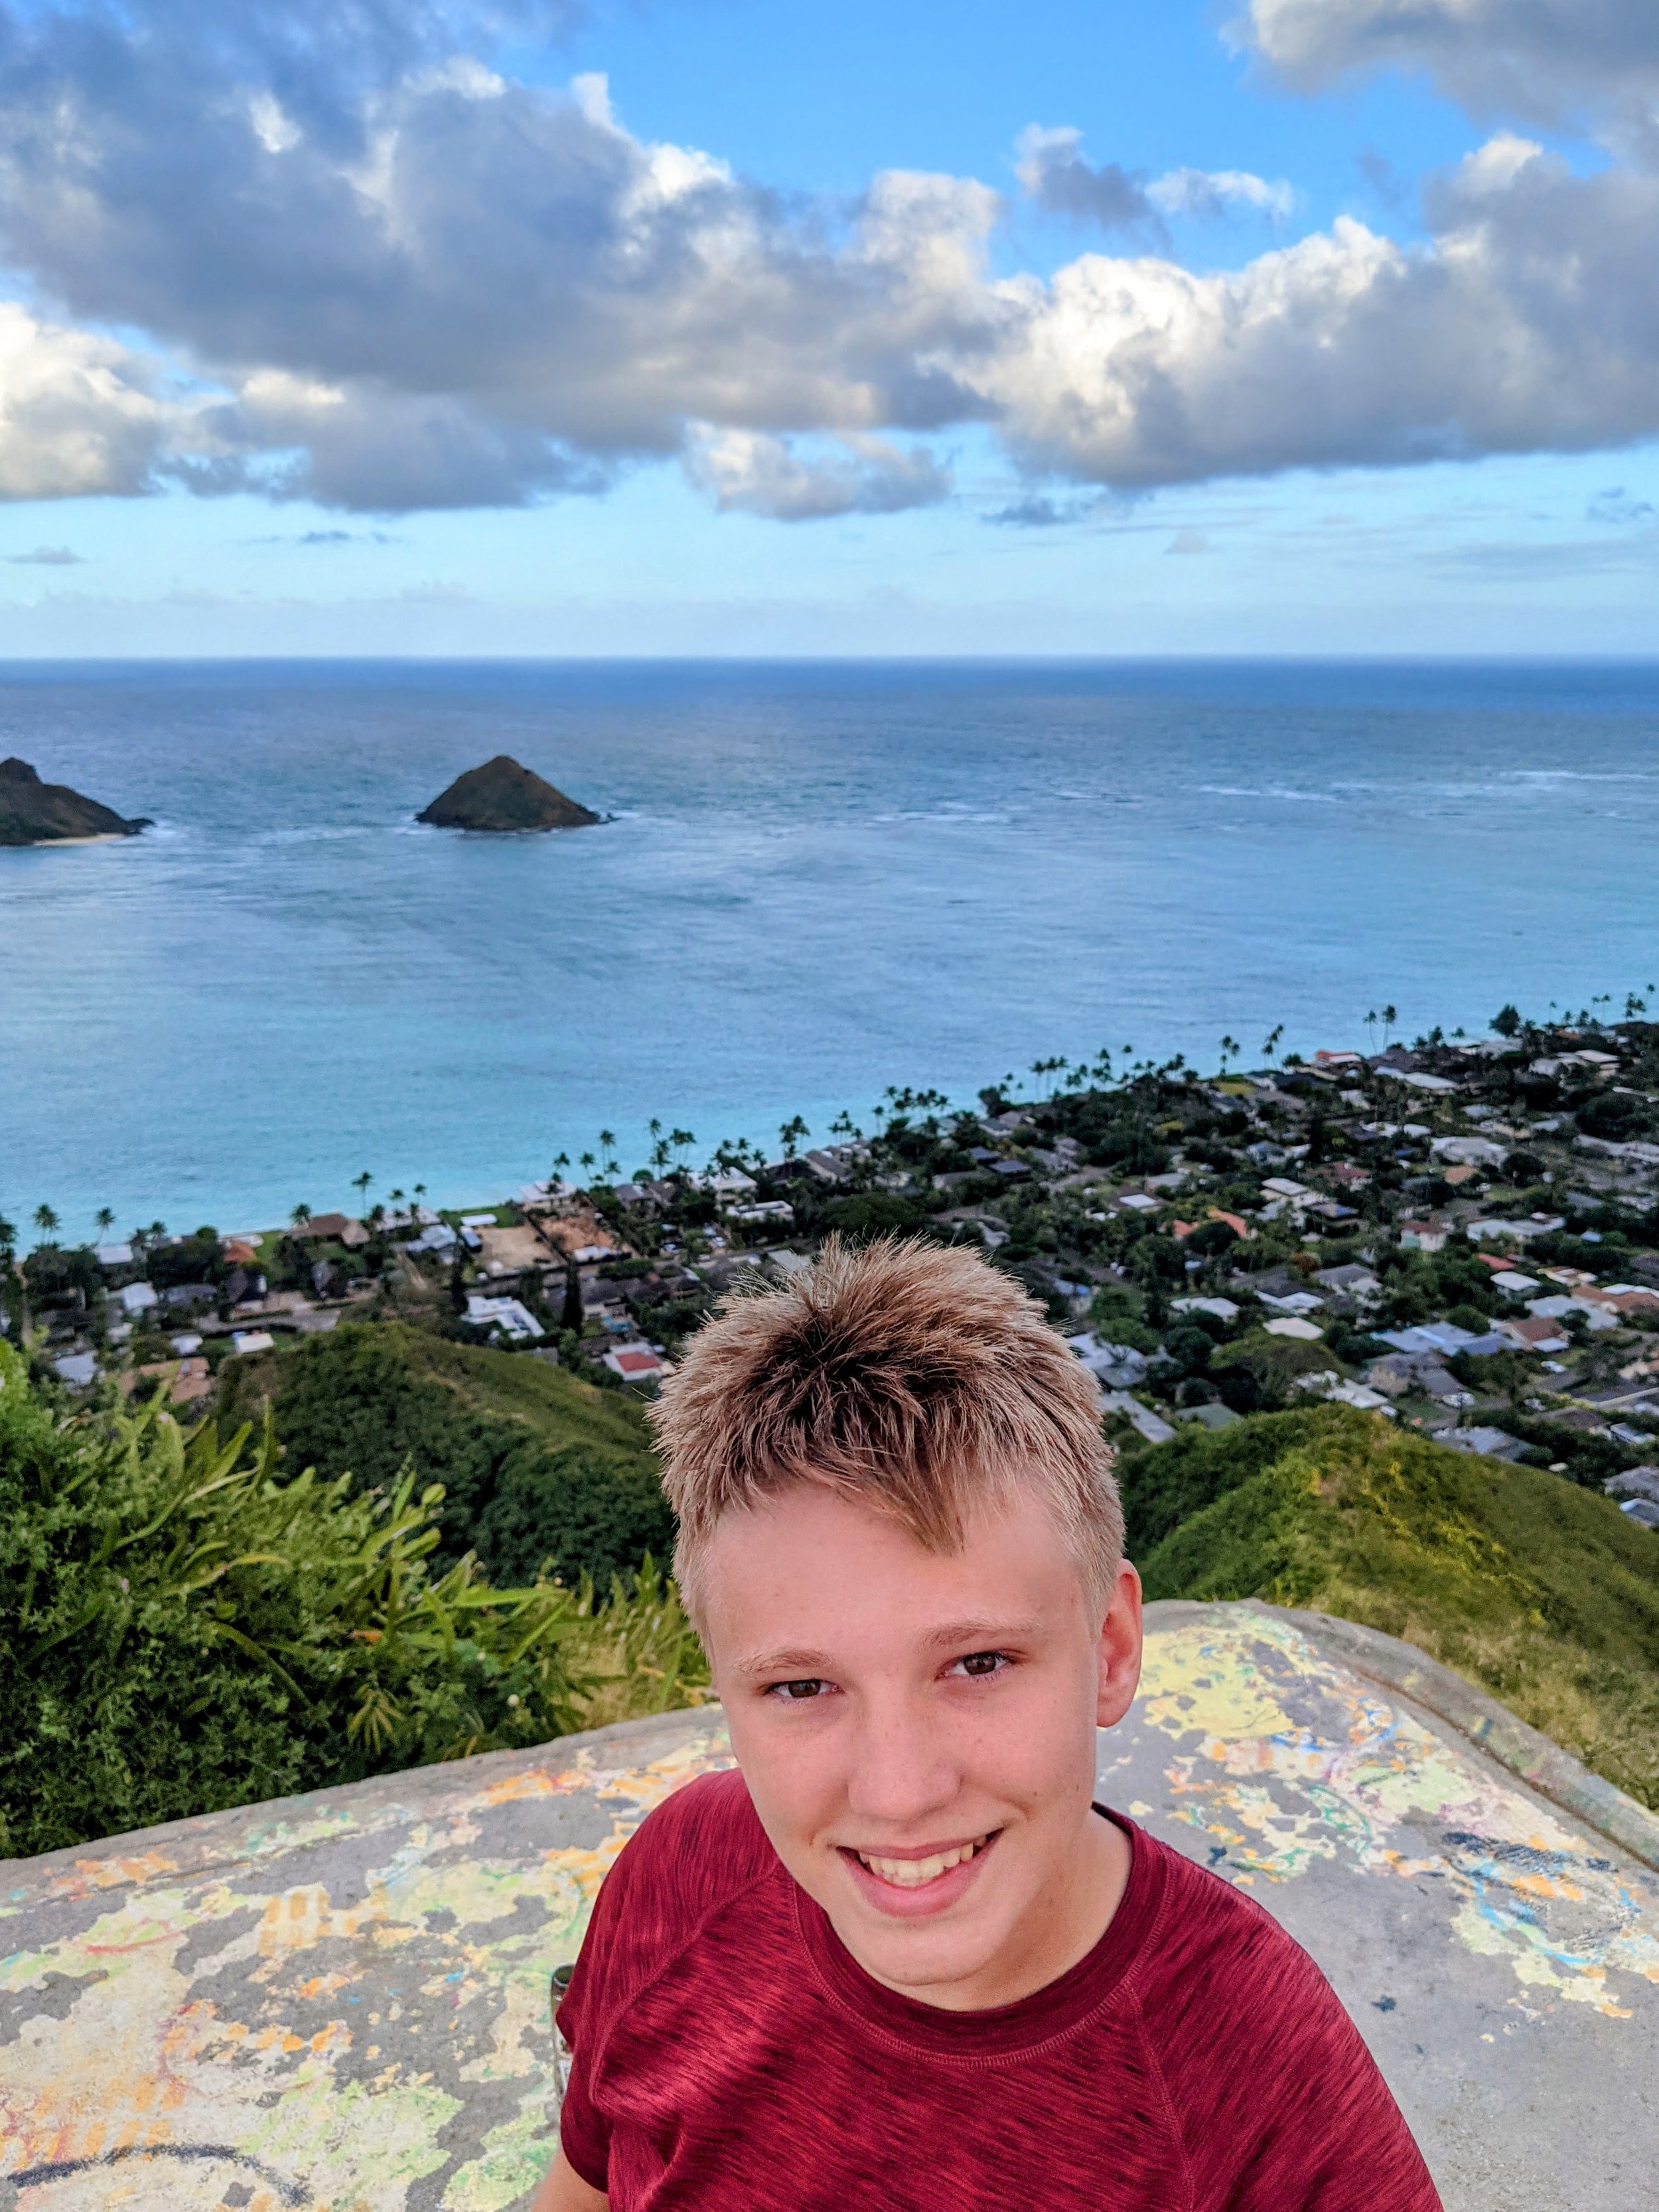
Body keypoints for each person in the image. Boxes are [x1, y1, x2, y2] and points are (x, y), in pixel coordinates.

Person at [532, 1238, 1441, 2211]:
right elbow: (586, 2184)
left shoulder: (1261, 2082)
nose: (898, 1792)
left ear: (1110, 1648)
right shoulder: (686, 1872)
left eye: (978, 1664)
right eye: (802, 1686)